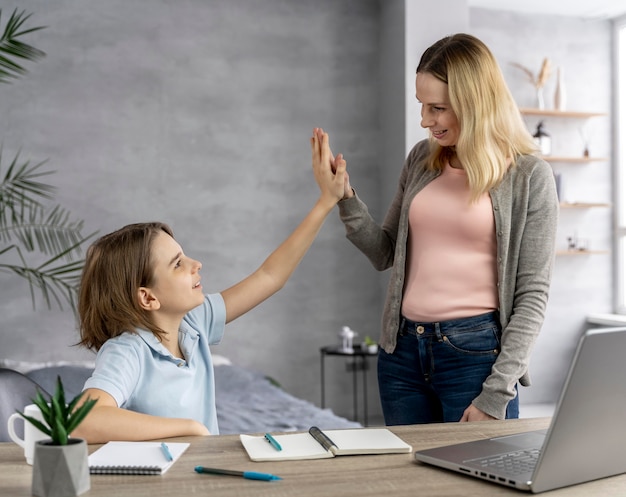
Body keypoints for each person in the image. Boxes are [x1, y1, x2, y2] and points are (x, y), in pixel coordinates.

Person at [315, 33, 558, 425]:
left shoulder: (529, 176)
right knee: (410, 482)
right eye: (423, 106)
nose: (426, 120)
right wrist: (344, 197)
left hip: (476, 358)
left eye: (438, 108)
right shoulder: (421, 160)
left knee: (475, 483)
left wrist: (496, 393)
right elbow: (385, 251)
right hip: (402, 353)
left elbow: (532, 295)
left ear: (474, 102)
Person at [72, 131, 345, 443]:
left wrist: (326, 201)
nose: (195, 264)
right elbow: (84, 420)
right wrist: (187, 428)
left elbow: (271, 276)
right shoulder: (127, 352)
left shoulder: (193, 322)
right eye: (177, 264)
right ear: (147, 297)